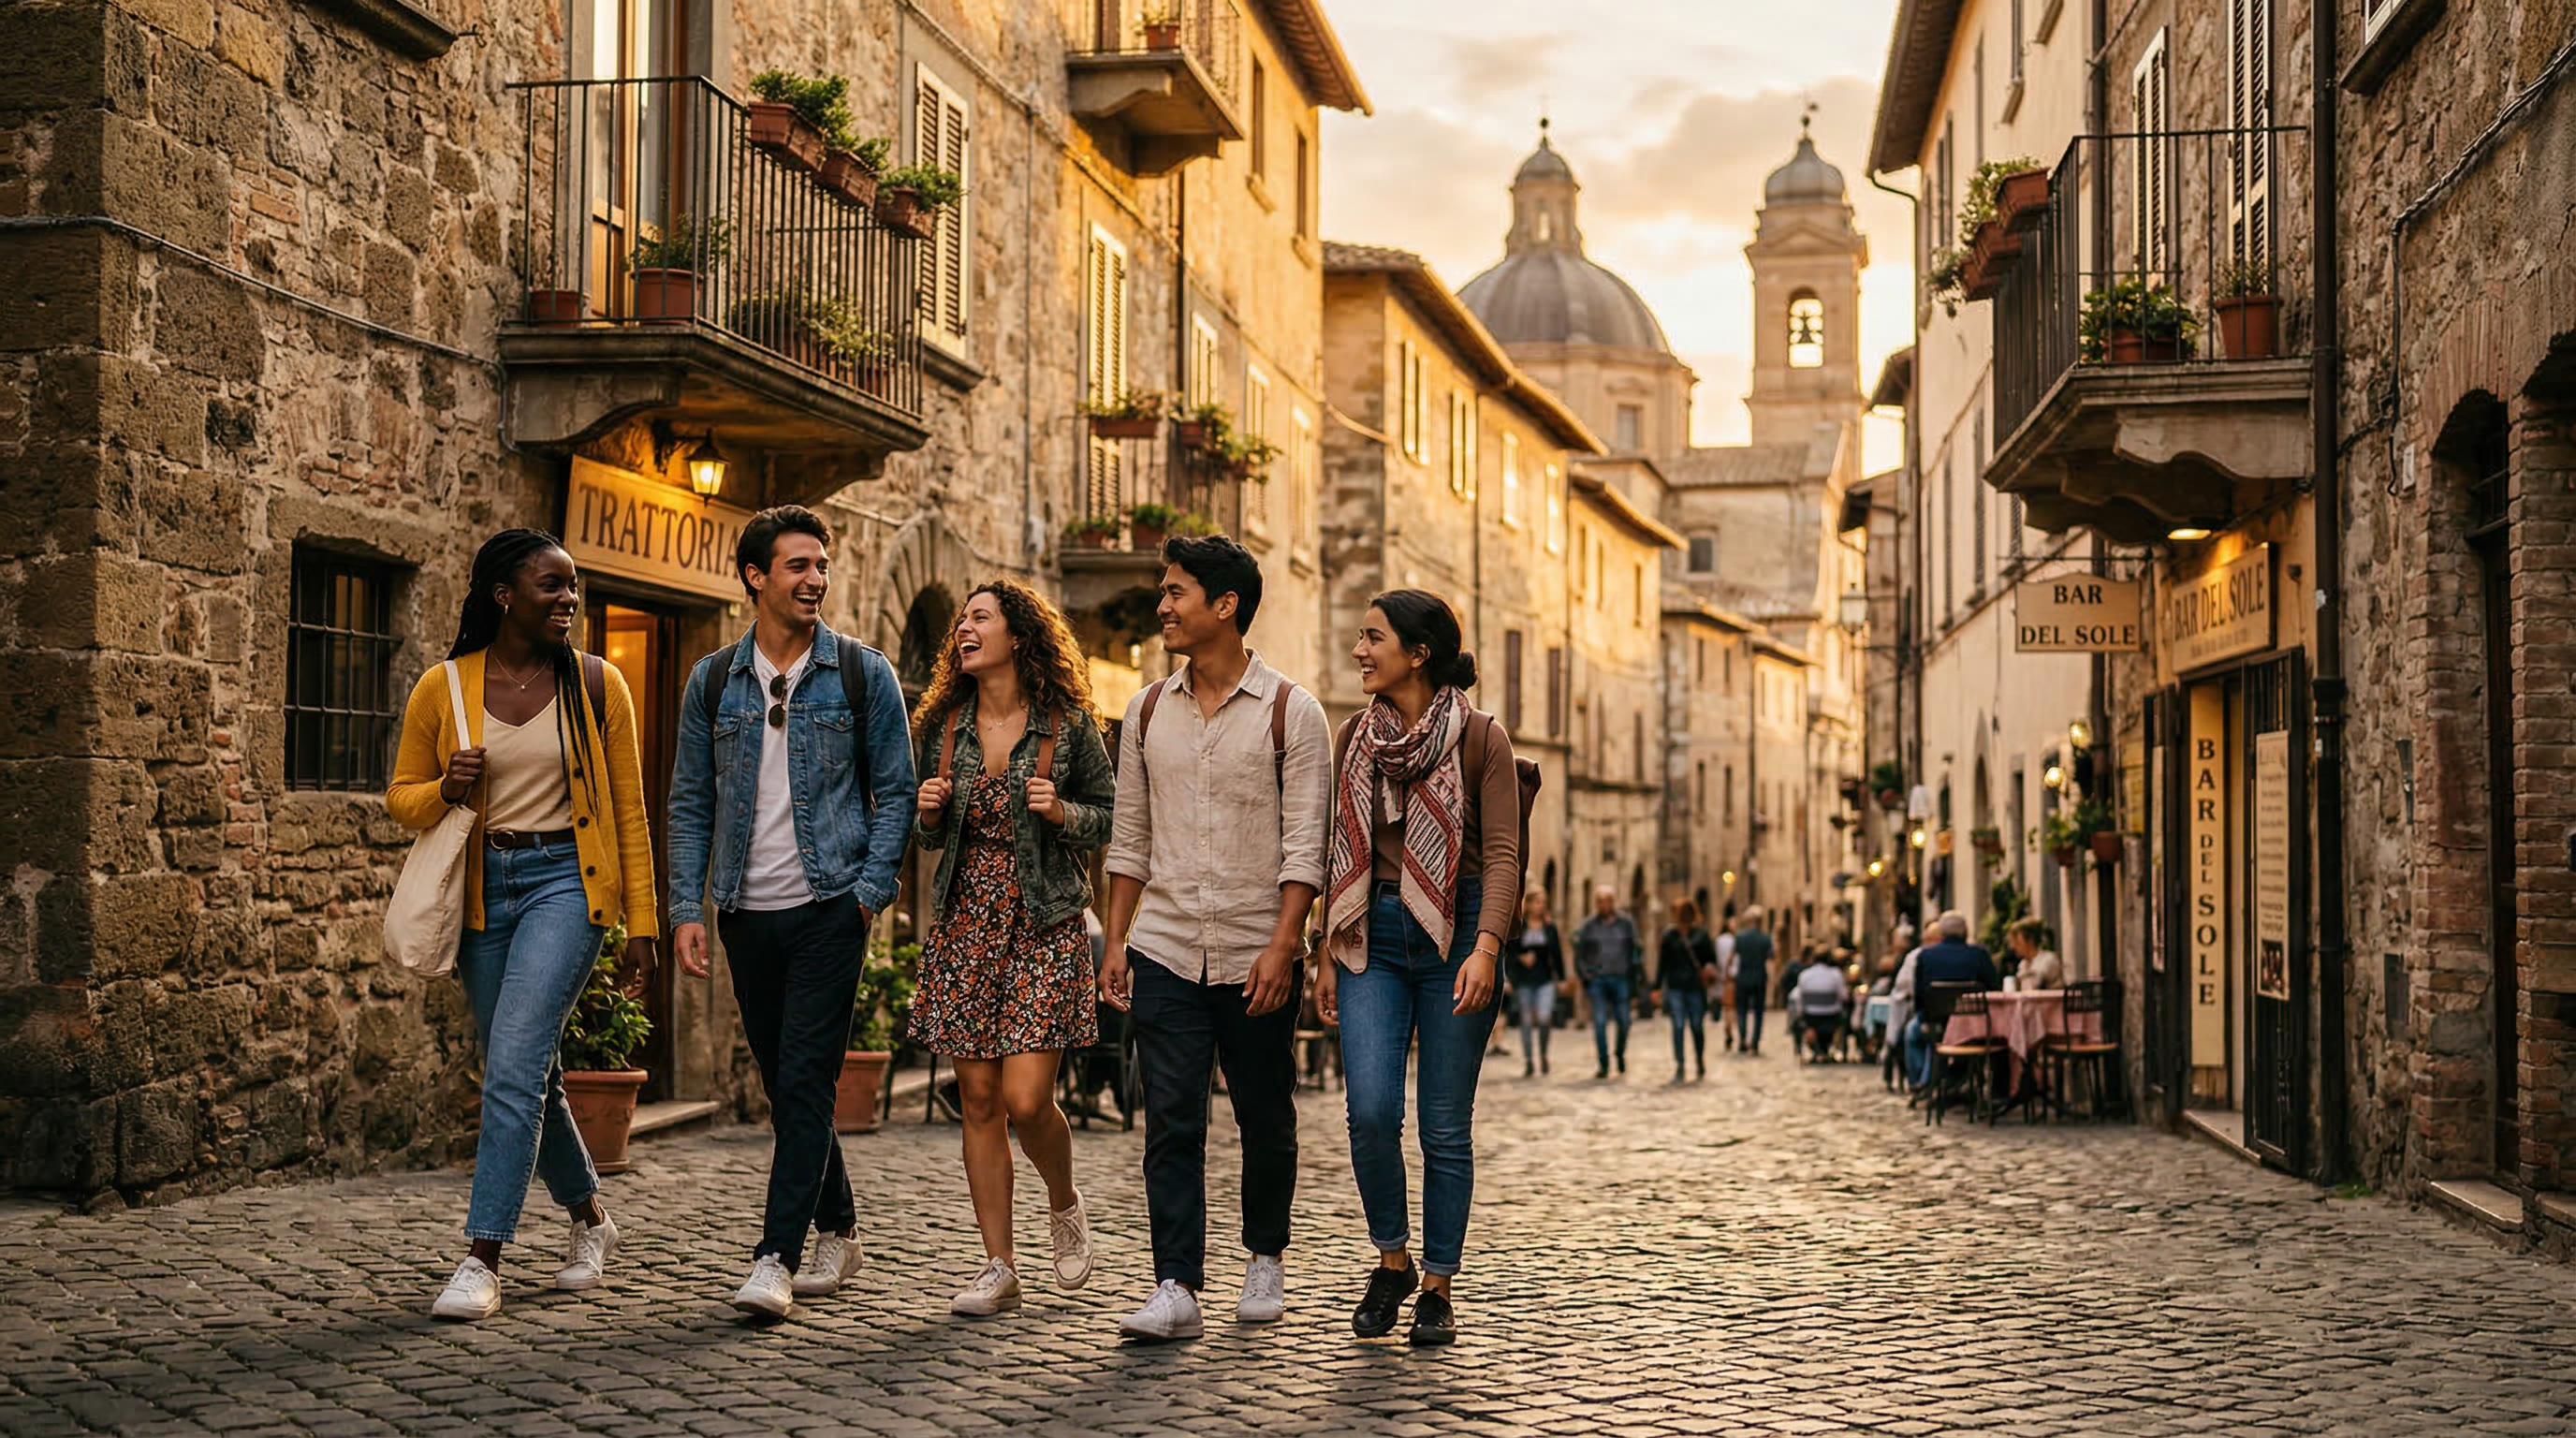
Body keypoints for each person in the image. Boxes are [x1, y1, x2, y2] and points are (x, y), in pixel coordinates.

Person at [389, 529, 659, 1321]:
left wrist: (641, 919)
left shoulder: (599, 684)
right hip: (483, 892)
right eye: (552, 586)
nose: (568, 600)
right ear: (503, 594)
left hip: (565, 888)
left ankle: (482, 1256)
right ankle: (591, 1220)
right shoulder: (444, 687)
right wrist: (445, 786)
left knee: (511, 1067)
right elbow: (399, 798)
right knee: (528, 1072)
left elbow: (630, 815)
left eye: (573, 588)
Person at [666, 506, 916, 1319]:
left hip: (827, 907)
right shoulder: (712, 681)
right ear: (754, 577)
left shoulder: (861, 673)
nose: (815, 580)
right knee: (787, 1083)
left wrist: (868, 894)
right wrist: (688, 907)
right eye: (798, 567)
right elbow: (688, 803)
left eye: (821, 566)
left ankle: (774, 1256)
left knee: (807, 1076)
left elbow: (898, 792)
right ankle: (840, 1225)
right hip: (745, 909)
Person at [1100, 536, 1332, 1343]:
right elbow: (1129, 835)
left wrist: (1284, 943)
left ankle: (1265, 1255)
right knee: (1171, 1120)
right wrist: (1118, 939)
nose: (1162, 606)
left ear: (1224, 606)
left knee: (1265, 1112)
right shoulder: (1145, 710)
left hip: (1254, 949)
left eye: (1176, 592)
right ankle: (1177, 1286)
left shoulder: (1290, 712)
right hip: (1165, 944)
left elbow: (1308, 844)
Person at [910, 580, 1118, 1319]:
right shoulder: (942, 725)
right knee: (979, 1099)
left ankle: (1063, 1200)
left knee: (1029, 1101)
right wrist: (928, 814)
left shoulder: (1067, 726)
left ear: (1019, 637)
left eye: (980, 618)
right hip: (967, 925)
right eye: (961, 619)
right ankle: (999, 1265)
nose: (965, 628)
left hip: (1042, 924)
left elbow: (1113, 815)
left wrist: (1063, 811)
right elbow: (931, 836)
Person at [1318, 590, 1519, 1348]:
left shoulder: (1481, 740)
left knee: (1443, 1126)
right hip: (1372, 930)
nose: (1360, 651)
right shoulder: (1354, 738)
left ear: (1418, 652)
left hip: (1459, 931)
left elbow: (1502, 856)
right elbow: (1333, 850)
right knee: (1369, 1113)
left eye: (1373, 638)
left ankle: (1437, 1284)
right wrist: (1324, 953)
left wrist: (1486, 948)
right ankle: (1392, 1260)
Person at [1903, 910, 2002, 1089]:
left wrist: (1925, 1018)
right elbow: (1994, 989)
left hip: (1937, 1024)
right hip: (1976, 1027)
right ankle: (1991, 1088)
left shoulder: (1926, 956)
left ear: (1941, 934)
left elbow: (1920, 996)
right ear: (1965, 933)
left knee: (1912, 1033)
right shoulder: (1979, 955)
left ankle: (1922, 1083)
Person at [1573, 886, 1645, 1078]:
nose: (1604, 905)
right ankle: (1603, 1063)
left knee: (1624, 1020)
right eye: (1600, 901)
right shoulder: (1588, 926)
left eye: (1608, 900)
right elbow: (1579, 952)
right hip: (1598, 979)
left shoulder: (1625, 924)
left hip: (1621, 977)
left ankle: (1620, 1054)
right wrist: (1585, 974)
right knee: (1599, 1022)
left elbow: (1636, 948)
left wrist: (1636, 972)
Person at [1649, 899, 1718, 1081]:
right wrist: (1657, 986)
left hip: (1695, 986)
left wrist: (1709, 969)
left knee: (1696, 1026)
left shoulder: (1701, 935)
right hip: (1675, 987)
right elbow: (1662, 963)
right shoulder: (1670, 936)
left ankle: (1699, 1060)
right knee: (1678, 1026)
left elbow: (1710, 958)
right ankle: (1680, 1065)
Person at [1504, 890, 1567, 1077]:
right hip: (1524, 980)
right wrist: (1519, 961)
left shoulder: (1550, 927)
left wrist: (1562, 978)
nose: (1541, 906)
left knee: (1544, 1018)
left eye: (1543, 902)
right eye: (1537, 902)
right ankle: (1529, 1060)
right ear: (1529, 904)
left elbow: (1557, 954)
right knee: (1525, 1021)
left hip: (1545, 979)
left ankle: (1544, 1054)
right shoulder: (1519, 927)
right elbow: (1509, 952)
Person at [1729, 907, 1777, 1055]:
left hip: (1742, 978)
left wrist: (1728, 976)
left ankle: (1742, 1039)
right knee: (1758, 1012)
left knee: (1742, 1010)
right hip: (1759, 978)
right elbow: (1772, 956)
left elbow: (1731, 958)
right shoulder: (1765, 938)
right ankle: (1754, 1043)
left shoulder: (1740, 937)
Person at [1793, 953, 1852, 1061]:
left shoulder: (1805, 975)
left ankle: (1815, 1050)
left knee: (1798, 1022)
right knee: (1845, 1015)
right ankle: (1832, 1048)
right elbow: (1844, 996)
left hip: (1811, 1016)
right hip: (1831, 1015)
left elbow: (1799, 997)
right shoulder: (1835, 974)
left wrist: (1801, 1014)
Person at [2006, 917, 2064, 990]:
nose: (2013, 946)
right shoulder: (2023, 965)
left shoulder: (2048, 960)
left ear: (2030, 940)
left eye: (2018, 942)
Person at [1715, 914, 1739, 1051]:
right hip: (1732, 975)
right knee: (1731, 1007)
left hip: (1722, 977)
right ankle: (1729, 1030)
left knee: (1727, 1007)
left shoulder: (1719, 941)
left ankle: (1728, 1029)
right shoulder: (1735, 940)